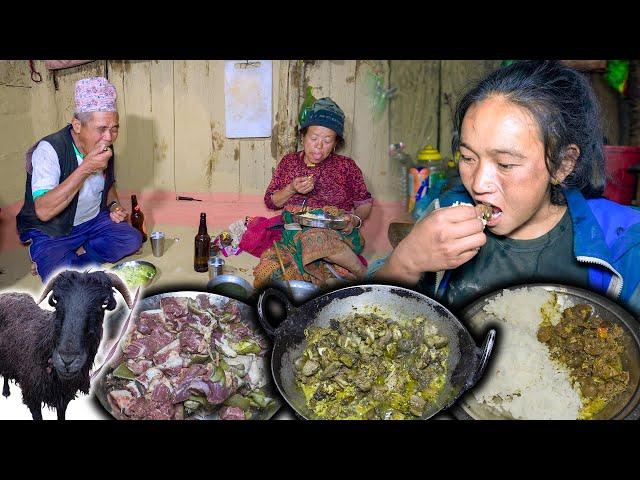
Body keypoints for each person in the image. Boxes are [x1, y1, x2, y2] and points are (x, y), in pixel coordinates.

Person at [374, 60, 640, 317]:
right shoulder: (444, 215)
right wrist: (406, 262)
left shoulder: (624, 242)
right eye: (468, 158)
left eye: (505, 164)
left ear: (563, 164)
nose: (478, 184)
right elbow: (370, 318)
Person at [16, 77, 142, 282]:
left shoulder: (104, 145)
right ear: (77, 125)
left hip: (92, 222)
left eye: (114, 128)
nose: (109, 137)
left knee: (132, 239)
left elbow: (108, 184)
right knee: (58, 279)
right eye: (101, 128)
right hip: (54, 231)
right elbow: (43, 210)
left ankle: (78, 255)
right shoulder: (49, 150)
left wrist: (113, 205)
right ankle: (58, 258)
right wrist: (85, 168)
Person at [248, 97, 373, 288]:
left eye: (327, 140)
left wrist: (354, 219)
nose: (319, 146)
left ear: (335, 143)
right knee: (267, 278)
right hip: (294, 236)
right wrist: (291, 189)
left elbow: (364, 203)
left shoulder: (346, 166)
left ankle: (364, 274)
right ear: (303, 137)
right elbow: (271, 201)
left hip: (336, 234)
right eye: (314, 138)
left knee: (315, 238)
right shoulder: (289, 162)